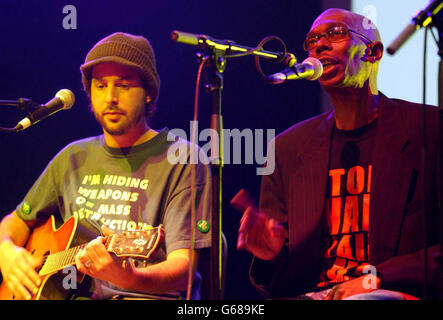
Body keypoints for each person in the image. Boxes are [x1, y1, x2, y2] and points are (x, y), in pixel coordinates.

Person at [232, 8, 441, 300]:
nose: (320, 45)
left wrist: (376, 280)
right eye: (312, 40)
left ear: (373, 52)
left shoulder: (429, 129)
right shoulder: (286, 150)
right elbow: (279, 282)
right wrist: (271, 255)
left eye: (335, 33)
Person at [0, 32, 212, 300]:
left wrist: (127, 277)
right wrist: (6, 251)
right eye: (100, 86)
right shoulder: (73, 156)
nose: (110, 97)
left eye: (123, 86)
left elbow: (185, 270)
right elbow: (16, 221)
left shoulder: (183, 159)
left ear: (149, 93)